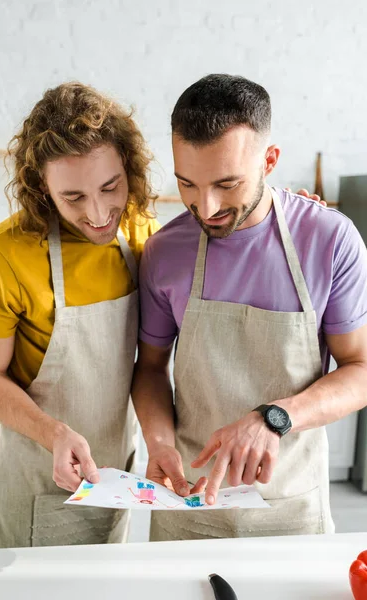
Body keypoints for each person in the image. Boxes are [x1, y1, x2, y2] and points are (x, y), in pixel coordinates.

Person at [132, 74, 367, 541]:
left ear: (270, 160)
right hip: (190, 505)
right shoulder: (165, 251)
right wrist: (158, 443)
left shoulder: (330, 240)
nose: (206, 206)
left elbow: (361, 368)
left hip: (290, 507)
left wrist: (274, 417)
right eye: (187, 185)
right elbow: (152, 369)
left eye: (227, 183)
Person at [0, 82, 159, 548]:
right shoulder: (1, 257)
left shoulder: (140, 233)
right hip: (35, 471)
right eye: (73, 197)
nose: (98, 214)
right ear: (41, 189)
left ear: (128, 169)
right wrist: (52, 433)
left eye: (111, 187)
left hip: (116, 471)